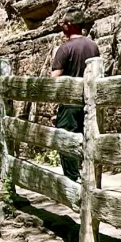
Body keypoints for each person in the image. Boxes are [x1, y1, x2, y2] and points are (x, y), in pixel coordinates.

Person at [50, 20, 99, 179]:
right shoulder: (93, 46)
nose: (61, 25)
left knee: (65, 142)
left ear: (71, 24)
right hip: (89, 103)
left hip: (69, 104)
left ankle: (72, 181)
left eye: (64, 23)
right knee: (88, 140)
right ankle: (89, 178)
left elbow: (54, 78)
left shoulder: (65, 48)